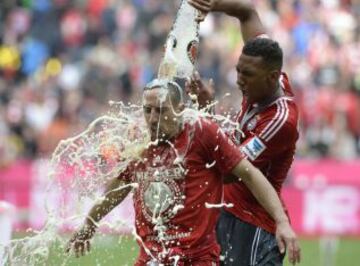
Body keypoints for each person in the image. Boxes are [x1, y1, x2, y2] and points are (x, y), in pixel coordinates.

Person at [66, 79, 298, 266]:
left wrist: (281, 221)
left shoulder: (202, 133)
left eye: (161, 110)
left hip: (196, 259)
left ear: (180, 110)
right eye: (148, 111)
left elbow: (250, 174)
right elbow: (119, 187)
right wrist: (90, 223)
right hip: (152, 258)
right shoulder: (140, 140)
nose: (153, 119)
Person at [187, 0, 301, 265]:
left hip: (254, 224)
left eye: (247, 74)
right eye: (238, 70)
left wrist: (207, 112)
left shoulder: (280, 120)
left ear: (272, 77)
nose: (239, 79)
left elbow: (230, 171)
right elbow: (247, 11)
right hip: (227, 211)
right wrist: (210, 5)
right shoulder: (266, 80)